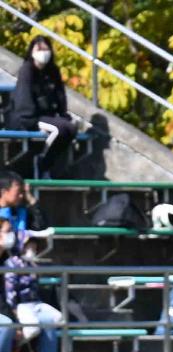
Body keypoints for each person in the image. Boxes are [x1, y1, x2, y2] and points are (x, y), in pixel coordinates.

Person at [0, 219, 63, 352]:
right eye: (5, 232)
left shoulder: (30, 264)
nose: (8, 236)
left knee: (51, 320)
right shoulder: (9, 264)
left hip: (28, 306)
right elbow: (8, 296)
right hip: (15, 308)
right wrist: (16, 319)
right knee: (8, 324)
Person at [8, 37, 80, 169]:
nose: (43, 52)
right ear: (32, 51)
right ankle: (42, 163)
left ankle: (46, 163)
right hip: (30, 116)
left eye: (45, 49)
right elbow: (24, 96)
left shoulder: (53, 71)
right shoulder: (26, 69)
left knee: (71, 127)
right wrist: (29, 118)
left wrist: (62, 113)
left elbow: (60, 95)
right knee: (60, 129)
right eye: (39, 49)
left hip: (49, 116)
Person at [0, 172, 48, 254]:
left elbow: (40, 228)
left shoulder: (21, 212)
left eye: (23, 192)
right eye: (18, 192)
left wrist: (30, 198)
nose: (21, 196)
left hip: (16, 261)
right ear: (4, 192)